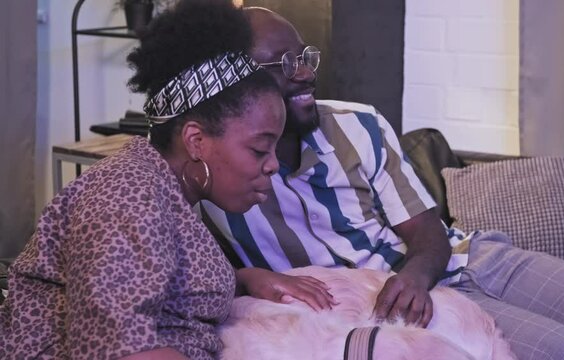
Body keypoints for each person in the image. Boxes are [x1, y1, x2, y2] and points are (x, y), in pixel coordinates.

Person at [200, 6, 564, 360]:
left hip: (465, 262)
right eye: (285, 63)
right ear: (233, 82)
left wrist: (414, 276)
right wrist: (245, 276)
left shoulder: (358, 124)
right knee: (563, 350)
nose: (305, 73)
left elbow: (428, 232)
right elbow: (180, 274)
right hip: (390, 308)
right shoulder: (213, 171)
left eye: (305, 56)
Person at [0, 1, 336, 359]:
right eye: (258, 150)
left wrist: (246, 278)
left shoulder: (166, 191)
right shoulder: (125, 197)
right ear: (196, 141)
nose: (272, 166)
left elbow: (159, 282)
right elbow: (114, 351)